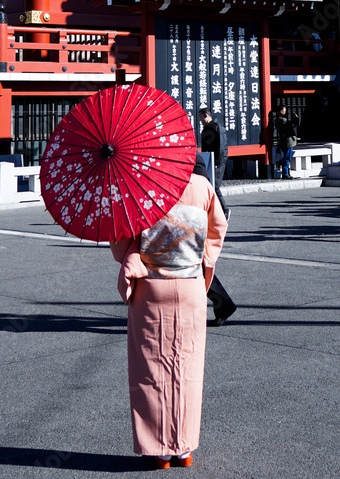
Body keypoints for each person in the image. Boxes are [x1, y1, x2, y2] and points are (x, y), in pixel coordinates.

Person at [111, 164, 227, 468]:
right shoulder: (202, 185)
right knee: (187, 368)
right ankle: (184, 449)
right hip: (189, 285)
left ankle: (161, 450)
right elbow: (217, 228)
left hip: (151, 286)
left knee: (151, 367)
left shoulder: (140, 184)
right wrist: (202, 258)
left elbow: (122, 240)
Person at [194, 150, 237, 325]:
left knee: (196, 265)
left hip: (190, 209)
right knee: (198, 265)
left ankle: (224, 304)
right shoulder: (187, 151)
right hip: (195, 208)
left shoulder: (183, 155)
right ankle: (224, 304)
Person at [198, 107, 230, 220]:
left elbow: (222, 147)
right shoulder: (205, 130)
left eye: (200, 117)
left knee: (215, 186)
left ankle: (225, 210)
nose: (200, 120)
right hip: (209, 159)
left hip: (218, 161)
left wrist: (217, 162)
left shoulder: (217, 128)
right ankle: (213, 211)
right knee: (208, 185)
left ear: (206, 115)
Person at [275, 106, 298, 180]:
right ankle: (285, 173)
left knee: (286, 157)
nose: (285, 112)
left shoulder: (277, 119)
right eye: (285, 110)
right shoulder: (283, 120)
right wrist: (296, 119)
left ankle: (286, 172)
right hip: (288, 141)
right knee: (287, 157)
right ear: (281, 111)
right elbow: (292, 125)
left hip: (283, 140)